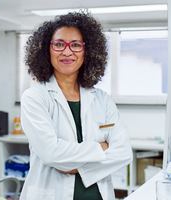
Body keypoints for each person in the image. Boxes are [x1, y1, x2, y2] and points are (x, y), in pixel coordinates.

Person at [20, 10, 133, 200]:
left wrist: (77, 167)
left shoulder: (102, 100)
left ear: (87, 52)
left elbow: (123, 152)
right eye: (58, 44)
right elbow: (51, 154)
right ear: (46, 50)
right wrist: (102, 147)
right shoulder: (34, 97)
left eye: (75, 45)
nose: (66, 51)